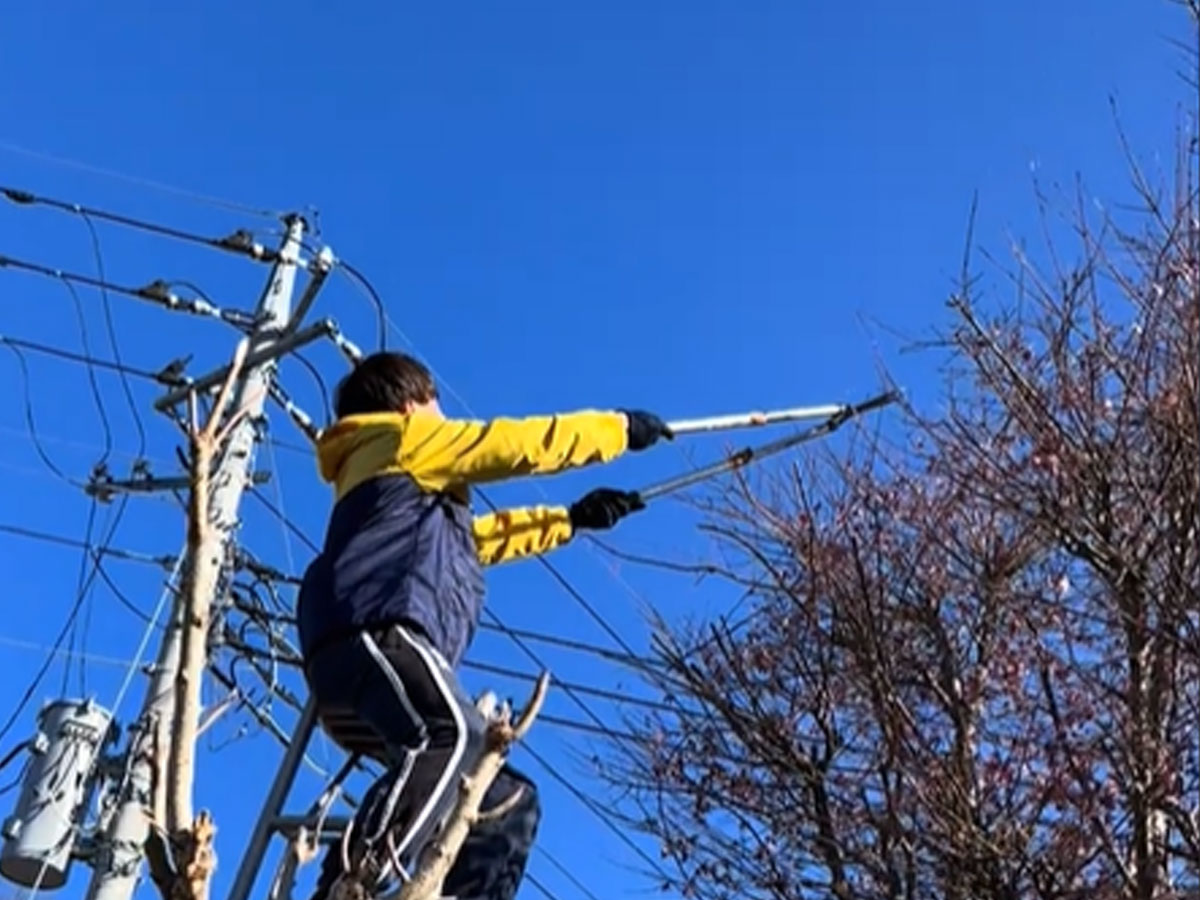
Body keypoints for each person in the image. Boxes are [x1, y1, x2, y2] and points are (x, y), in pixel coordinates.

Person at [295, 351, 672, 899]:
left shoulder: (405, 495)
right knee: (454, 734)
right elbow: (517, 444)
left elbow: (478, 541)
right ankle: (357, 881)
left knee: (501, 800)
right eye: (436, 403)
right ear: (410, 405)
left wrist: (569, 520)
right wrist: (617, 429)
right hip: (373, 634)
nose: (443, 415)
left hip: (362, 656)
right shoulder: (404, 440)